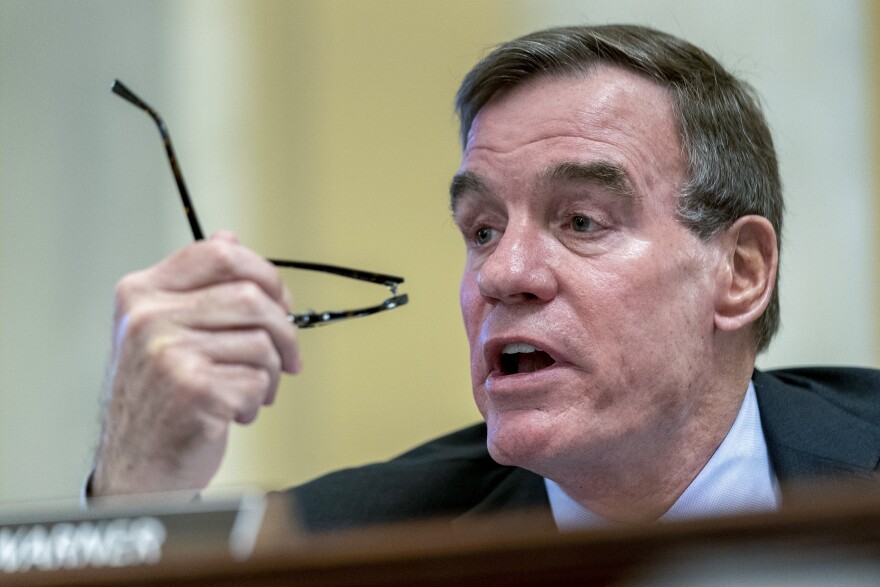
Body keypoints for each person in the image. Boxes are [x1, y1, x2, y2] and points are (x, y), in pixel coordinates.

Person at [90, 24, 880, 532]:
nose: (503, 274)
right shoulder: (359, 539)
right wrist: (135, 488)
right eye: (482, 230)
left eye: (581, 221)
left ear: (740, 273)